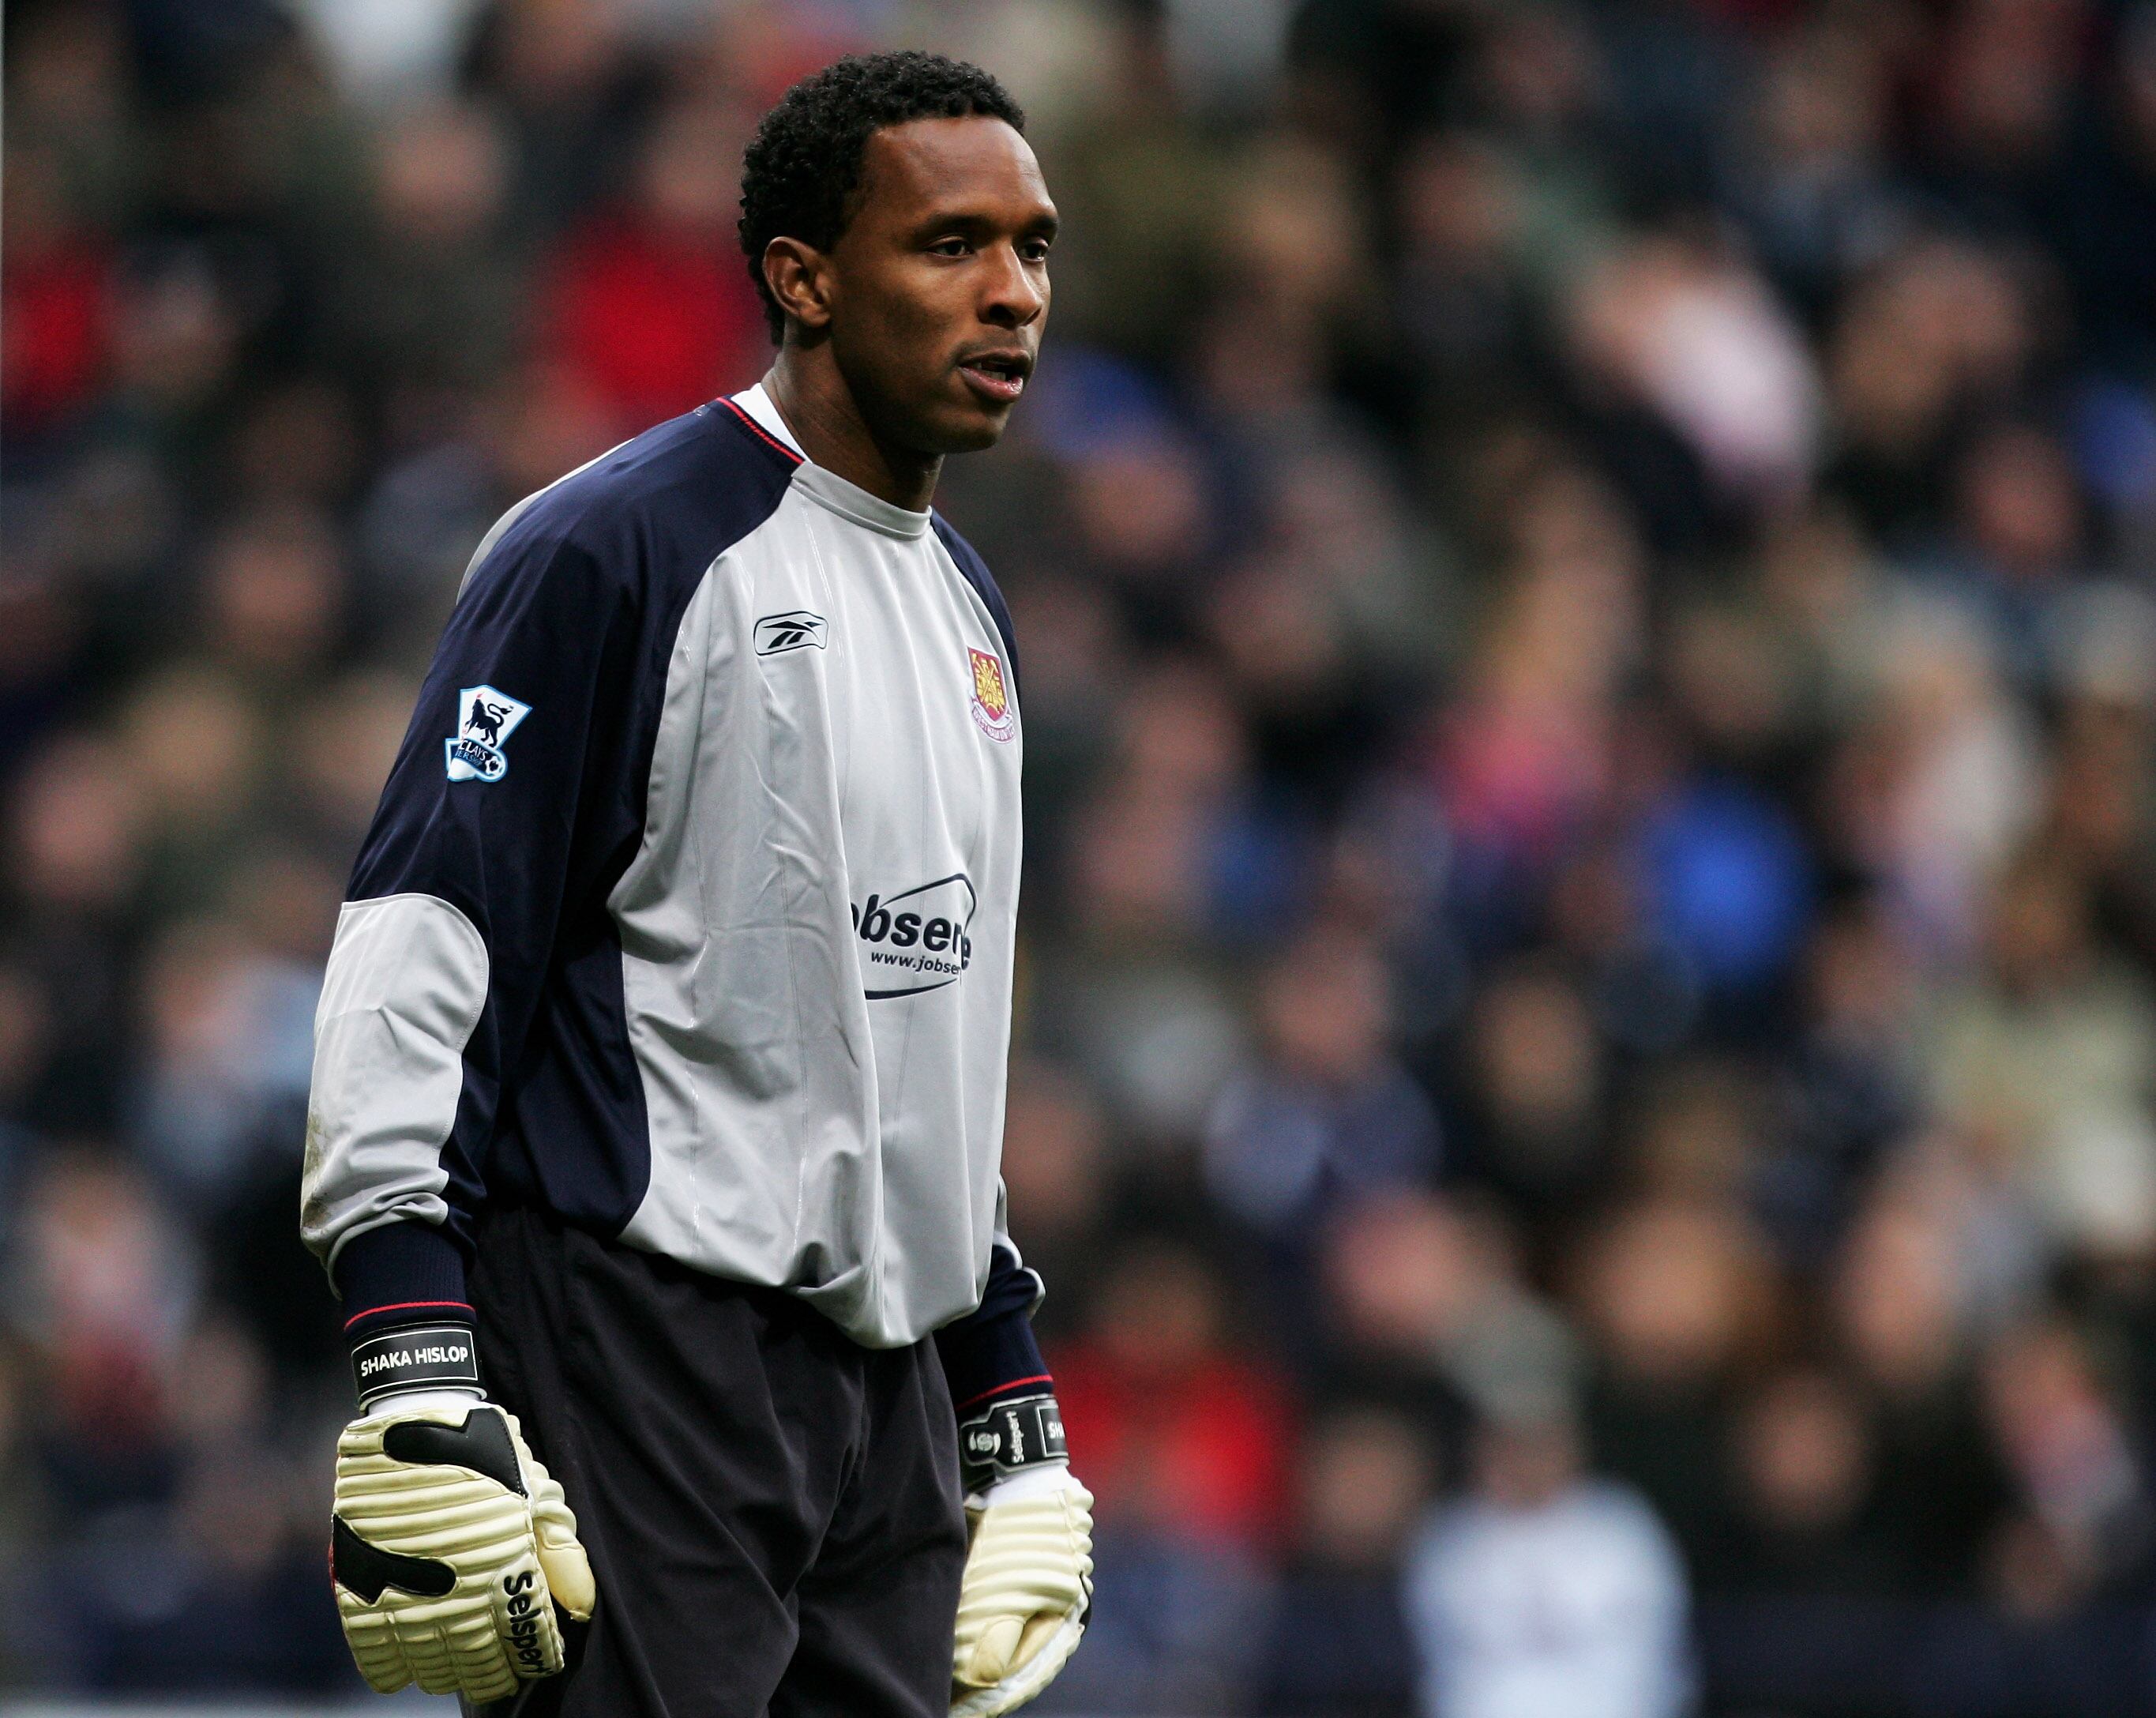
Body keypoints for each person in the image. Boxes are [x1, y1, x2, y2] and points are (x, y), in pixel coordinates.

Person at [299, 51, 1091, 1718]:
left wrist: (1003, 1390)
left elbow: (924, 1050)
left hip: (881, 1414)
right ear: (801, 277)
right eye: (951, 244)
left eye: (1032, 247)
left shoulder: (972, 612)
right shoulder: (613, 549)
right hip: (637, 1351)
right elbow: (427, 935)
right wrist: (410, 1338)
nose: (1013, 293)